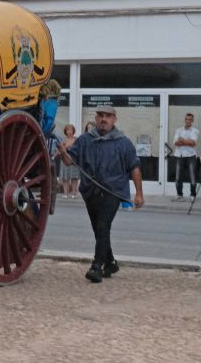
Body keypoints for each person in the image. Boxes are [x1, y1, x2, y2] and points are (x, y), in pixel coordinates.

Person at [58, 104, 144, 283]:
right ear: (96, 118)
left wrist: (139, 193)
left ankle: (96, 267)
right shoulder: (84, 140)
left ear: (114, 119)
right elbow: (69, 161)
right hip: (90, 191)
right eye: (101, 116)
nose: (104, 119)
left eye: (108, 116)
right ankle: (110, 263)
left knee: (103, 226)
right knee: (99, 229)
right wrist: (63, 152)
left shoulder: (124, 143)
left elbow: (134, 168)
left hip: (113, 191)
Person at [171, 113, 197, 201]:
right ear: (184, 120)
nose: (188, 121)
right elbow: (175, 142)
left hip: (191, 156)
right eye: (186, 119)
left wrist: (182, 140)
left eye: (190, 119)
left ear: (192, 121)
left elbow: (193, 143)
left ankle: (192, 195)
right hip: (179, 155)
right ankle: (179, 195)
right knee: (178, 177)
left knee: (192, 176)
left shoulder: (195, 131)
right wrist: (187, 141)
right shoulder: (178, 130)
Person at [59, 124, 80, 198]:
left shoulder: (77, 139)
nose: (69, 131)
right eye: (67, 130)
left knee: (74, 177)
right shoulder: (63, 139)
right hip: (65, 159)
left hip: (74, 159)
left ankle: (74, 193)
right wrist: (66, 146)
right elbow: (60, 150)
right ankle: (65, 193)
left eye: (71, 130)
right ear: (65, 131)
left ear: (73, 131)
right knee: (65, 177)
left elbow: (79, 148)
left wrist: (70, 146)